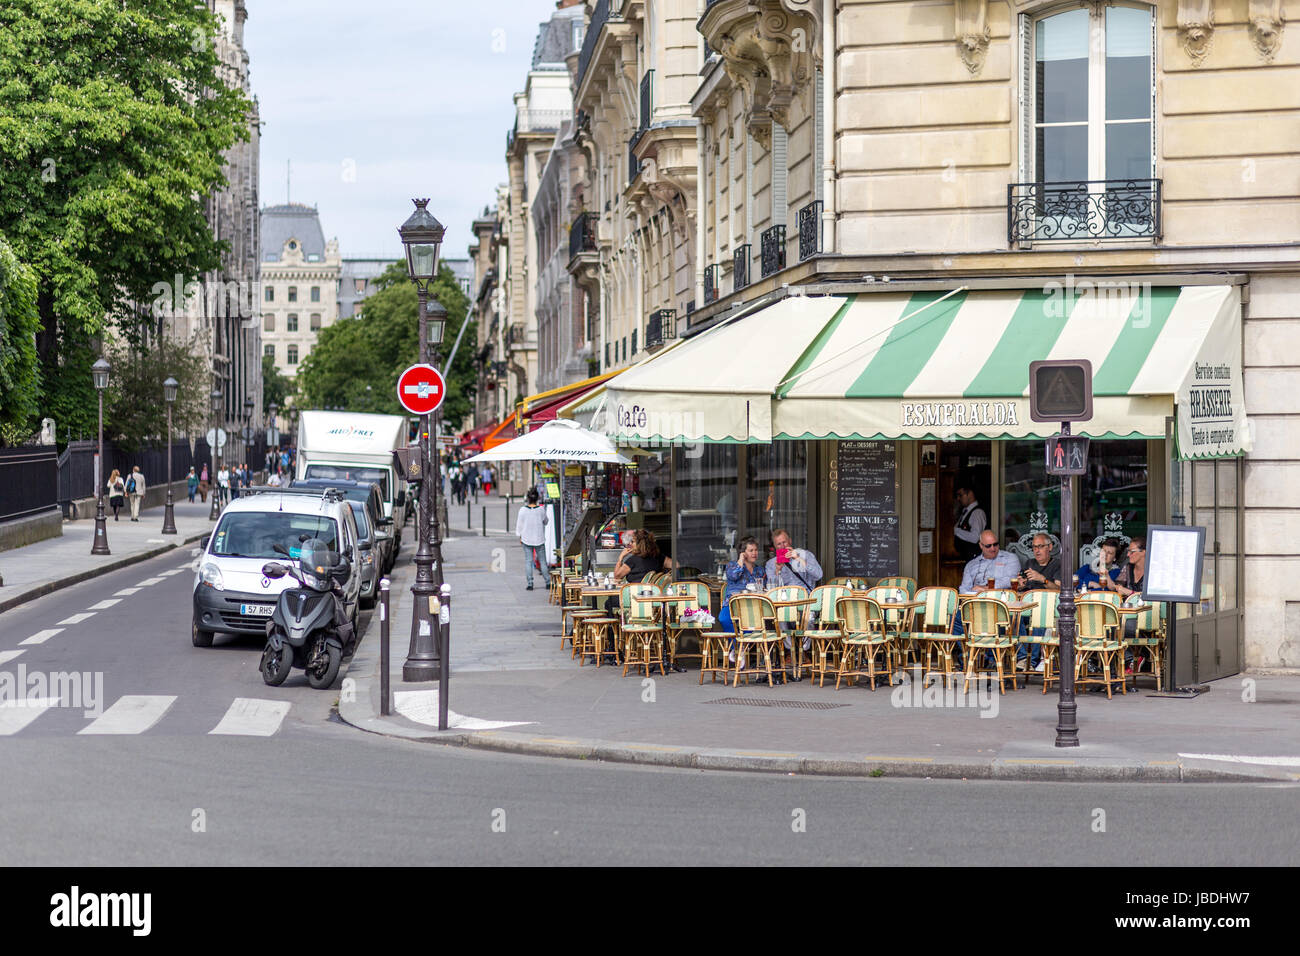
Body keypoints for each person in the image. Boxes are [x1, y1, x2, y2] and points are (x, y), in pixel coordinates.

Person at [1015, 533, 1061, 672]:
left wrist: (1043, 579)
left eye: (1040, 546)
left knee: (1040, 616)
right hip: (1027, 605)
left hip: (1046, 607)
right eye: (1034, 547)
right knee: (1012, 617)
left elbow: (1059, 589)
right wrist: (1021, 585)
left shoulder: (1058, 564)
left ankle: (1033, 661)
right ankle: (1023, 657)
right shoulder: (1030, 563)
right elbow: (1022, 586)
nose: (1037, 550)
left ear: (1050, 547)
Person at [719, 536, 765, 662]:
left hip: (752, 606)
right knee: (724, 618)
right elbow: (733, 576)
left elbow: (763, 587)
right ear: (743, 552)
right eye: (751, 550)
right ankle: (738, 647)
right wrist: (740, 560)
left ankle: (739, 649)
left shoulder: (760, 570)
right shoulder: (732, 566)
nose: (754, 553)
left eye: (756, 550)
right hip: (733, 604)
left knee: (756, 624)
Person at [516, 488, 549, 591]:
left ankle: (530, 583)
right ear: (537, 498)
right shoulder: (541, 509)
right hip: (539, 538)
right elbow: (546, 521)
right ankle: (548, 582)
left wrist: (519, 535)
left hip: (526, 538)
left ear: (528, 498)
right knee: (543, 561)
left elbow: (519, 525)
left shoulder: (522, 510)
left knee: (528, 561)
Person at [953, 483, 988, 561]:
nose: (958, 498)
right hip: (965, 558)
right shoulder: (965, 512)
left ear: (970, 494)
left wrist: (955, 530)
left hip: (973, 559)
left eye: (960, 495)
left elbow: (975, 537)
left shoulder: (977, 513)